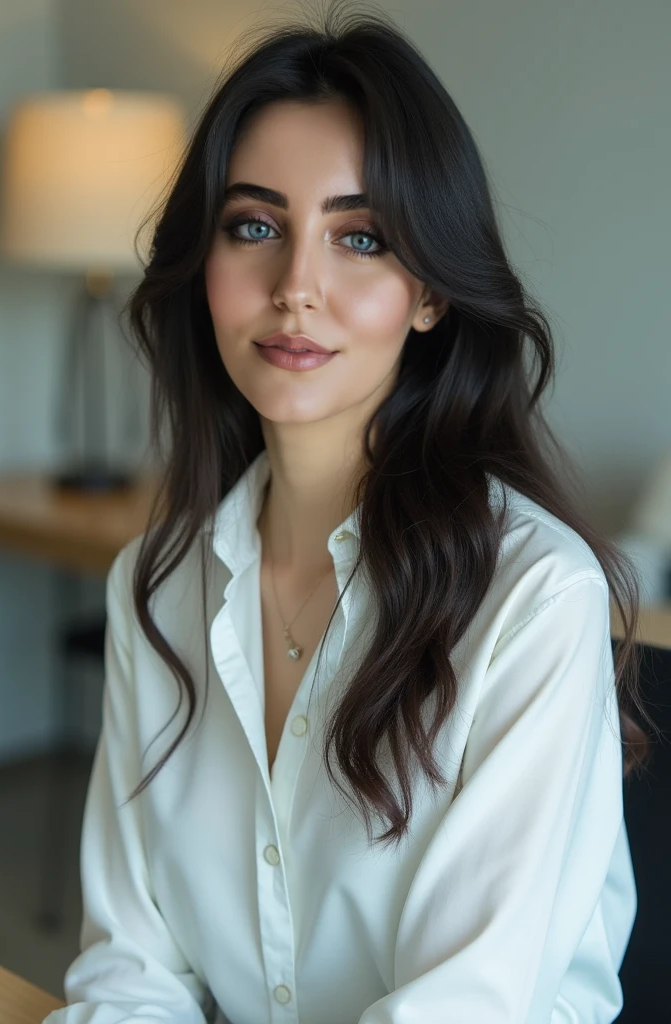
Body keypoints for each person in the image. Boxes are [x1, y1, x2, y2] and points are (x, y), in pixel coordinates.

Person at [44, 2, 655, 1022]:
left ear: (428, 293)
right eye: (255, 228)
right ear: (205, 269)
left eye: (359, 237)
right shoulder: (156, 584)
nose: (296, 288)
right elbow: (131, 970)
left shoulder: (532, 600)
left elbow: (467, 1008)